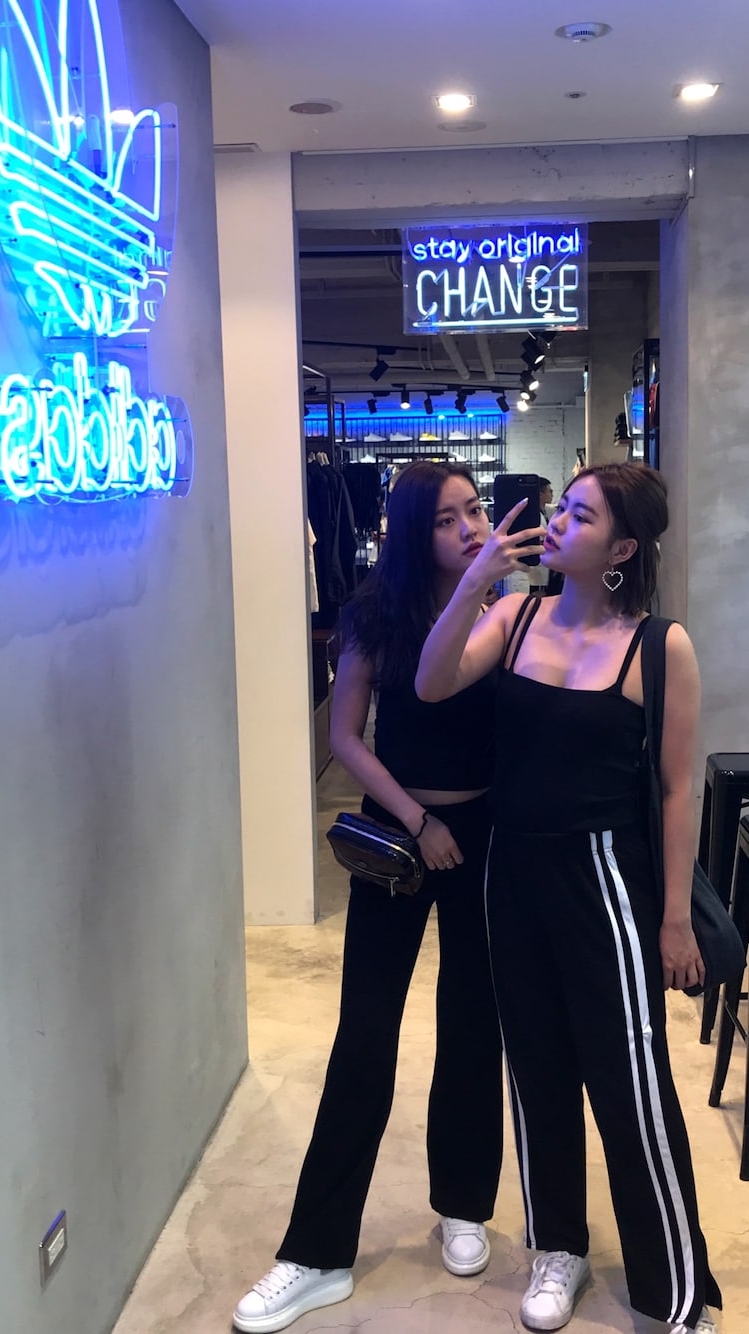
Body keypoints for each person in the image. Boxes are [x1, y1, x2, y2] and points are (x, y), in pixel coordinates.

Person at [415, 462, 721, 1334]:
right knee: (537, 1069)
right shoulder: (513, 616)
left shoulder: (659, 646)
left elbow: (676, 790)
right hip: (510, 872)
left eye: (581, 516)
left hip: (606, 879)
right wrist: (475, 583)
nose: (556, 523)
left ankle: (676, 1285)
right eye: (564, 508)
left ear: (621, 549)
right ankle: (559, 1246)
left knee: (630, 1082)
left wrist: (673, 919)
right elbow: (431, 683)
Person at [233, 462, 504, 1333]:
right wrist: (419, 819)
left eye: (474, 510)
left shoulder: (501, 607)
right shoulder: (373, 614)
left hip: (486, 836)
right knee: (364, 1034)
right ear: (415, 530)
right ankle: (316, 1252)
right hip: (401, 834)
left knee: (475, 1025)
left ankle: (463, 1204)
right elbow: (346, 737)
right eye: (448, 518)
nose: (469, 527)